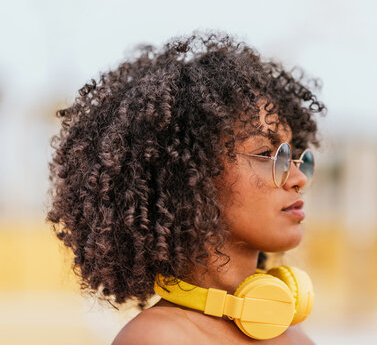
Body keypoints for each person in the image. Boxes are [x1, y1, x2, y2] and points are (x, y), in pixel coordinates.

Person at [47, 32, 326, 344]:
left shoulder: (294, 336)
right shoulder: (156, 337)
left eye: (293, 156)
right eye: (265, 154)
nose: (298, 178)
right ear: (189, 175)